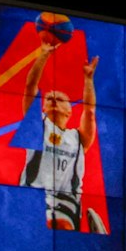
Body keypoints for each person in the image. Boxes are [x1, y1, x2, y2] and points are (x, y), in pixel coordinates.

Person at [18, 40, 101, 231]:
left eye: (60, 99)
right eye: (49, 98)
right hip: (33, 195)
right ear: (44, 108)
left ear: (69, 111)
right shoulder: (37, 126)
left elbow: (89, 111)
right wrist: (44, 54)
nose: (54, 100)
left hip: (66, 200)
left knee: (61, 226)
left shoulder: (78, 138)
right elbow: (30, 86)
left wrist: (88, 80)